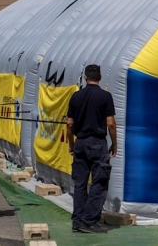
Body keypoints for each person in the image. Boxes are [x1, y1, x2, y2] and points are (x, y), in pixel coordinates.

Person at [66, 64, 117, 234]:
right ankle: (89, 221)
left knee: (80, 184)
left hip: (80, 142)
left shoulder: (76, 96)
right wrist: (114, 143)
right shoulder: (105, 96)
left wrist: (72, 144)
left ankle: (78, 220)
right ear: (100, 78)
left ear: (85, 77)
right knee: (100, 182)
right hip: (97, 143)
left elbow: (70, 124)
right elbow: (110, 123)